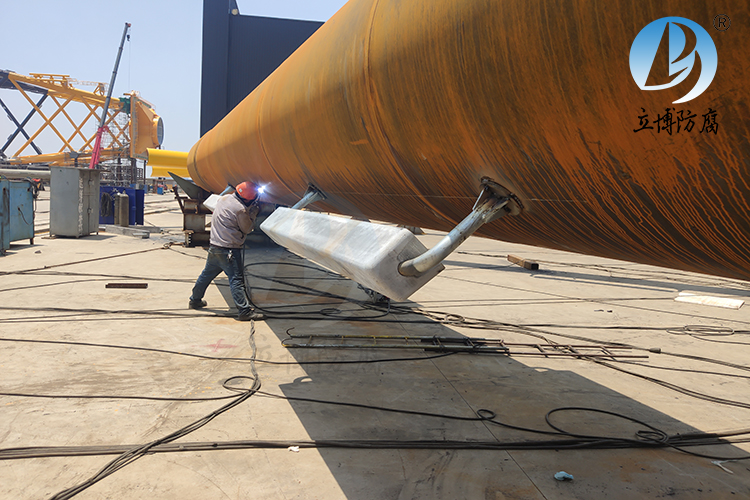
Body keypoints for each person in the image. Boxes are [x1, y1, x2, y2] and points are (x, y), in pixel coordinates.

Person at [189, 181, 265, 321]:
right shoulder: (241, 210)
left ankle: (195, 300)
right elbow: (247, 229)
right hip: (229, 250)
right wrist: (253, 213)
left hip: (215, 247)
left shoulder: (224, 199)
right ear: (249, 199)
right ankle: (244, 311)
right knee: (236, 280)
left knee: (206, 275)